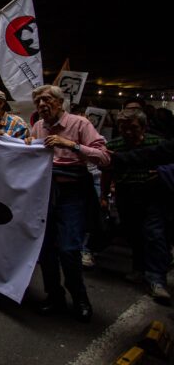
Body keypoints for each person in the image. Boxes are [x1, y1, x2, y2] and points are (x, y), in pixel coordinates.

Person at [26, 85, 110, 322]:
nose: (41, 105)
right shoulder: (38, 127)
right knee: (45, 250)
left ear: (60, 103)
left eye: (46, 100)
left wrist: (70, 144)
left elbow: (104, 157)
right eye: (38, 102)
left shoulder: (80, 124)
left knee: (69, 249)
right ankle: (54, 296)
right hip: (44, 193)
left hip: (72, 193)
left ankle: (80, 298)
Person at [101, 109, 171, 303]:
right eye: (123, 128)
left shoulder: (157, 144)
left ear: (143, 127)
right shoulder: (114, 145)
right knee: (134, 234)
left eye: (133, 127)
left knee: (154, 234)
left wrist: (162, 172)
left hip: (153, 196)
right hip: (126, 195)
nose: (128, 132)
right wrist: (104, 195)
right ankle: (139, 269)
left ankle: (157, 279)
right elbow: (107, 172)